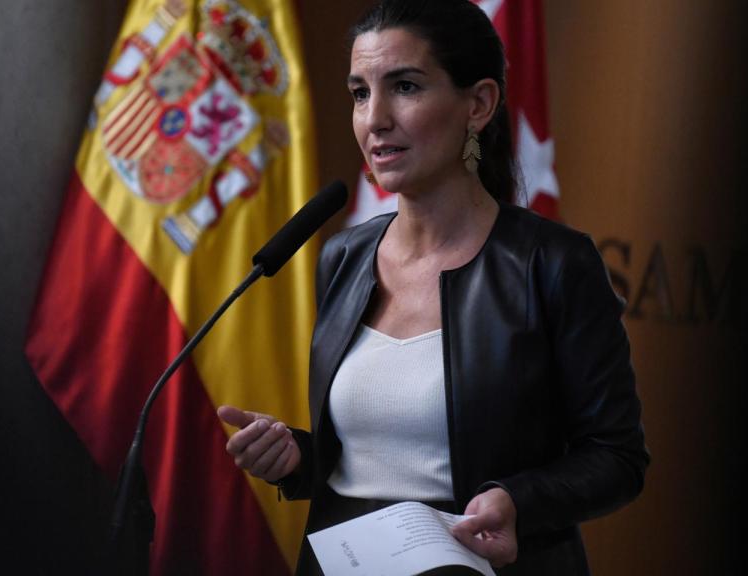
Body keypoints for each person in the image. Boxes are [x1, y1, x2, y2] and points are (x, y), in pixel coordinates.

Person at [217, 0, 649, 573]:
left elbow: (616, 456)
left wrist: (518, 503)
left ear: (478, 105)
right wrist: (297, 458)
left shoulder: (553, 263)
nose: (375, 120)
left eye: (405, 86)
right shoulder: (343, 256)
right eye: (360, 93)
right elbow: (368, 455)